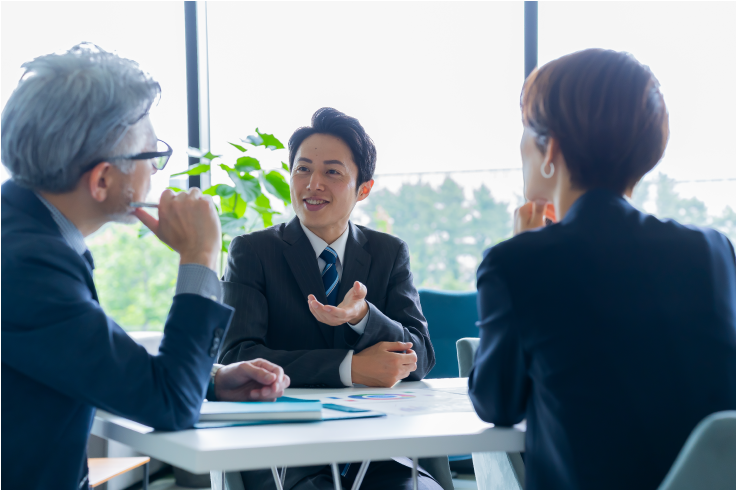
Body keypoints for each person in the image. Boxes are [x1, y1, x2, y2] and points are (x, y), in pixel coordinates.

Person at [0, 44, 289, 490]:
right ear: (101, 181)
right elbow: (169, 405)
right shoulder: (28, 265)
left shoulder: (21, 234)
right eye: (150, 156)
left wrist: (209, 379)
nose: (156, 169)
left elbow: (83, 358)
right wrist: (200, 256)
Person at [468, 48, 736, 490]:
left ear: (549, 147)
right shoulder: (713, 251)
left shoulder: (517, 262)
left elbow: (497, 404)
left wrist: (521, 249)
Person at [220, 107, 439, 489]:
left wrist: (364, 317)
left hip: (377, 454)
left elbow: (419, 355)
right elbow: (237, 357)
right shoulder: (252, 252)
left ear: (364, 188)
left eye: (332, 172)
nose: (312, 184)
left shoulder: (388, 253)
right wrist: (349, 368)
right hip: (286, 456)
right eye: (302, 169)